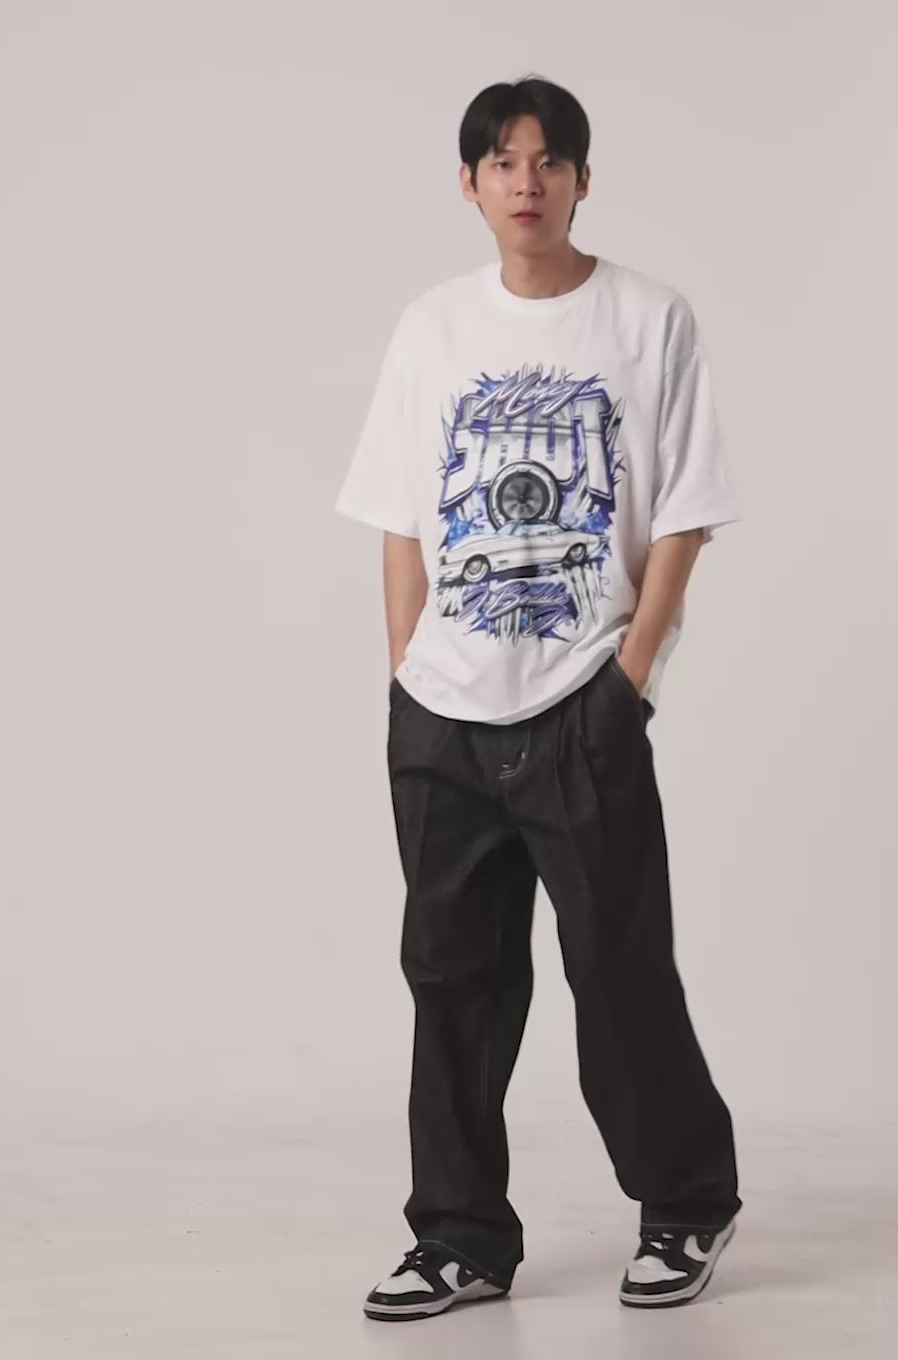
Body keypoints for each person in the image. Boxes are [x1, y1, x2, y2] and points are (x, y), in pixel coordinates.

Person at [334, 74, 744, 1321]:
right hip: (443, 713)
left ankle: (685, 1201)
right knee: (451, 981)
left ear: (581, 180)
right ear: (468, 184)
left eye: (548, 159)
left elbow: (682, 515)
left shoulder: (648, 319)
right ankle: (458, 1236)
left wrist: (630, 679)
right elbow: (399, 516)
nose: (527, 181)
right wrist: (407, 670)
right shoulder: (431, 327)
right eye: (503, 162)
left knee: (617, 969)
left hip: (581, 702)